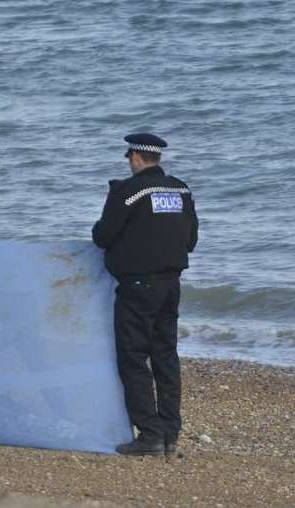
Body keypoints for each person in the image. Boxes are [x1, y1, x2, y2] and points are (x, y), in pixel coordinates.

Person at [92, 133, 198, 456]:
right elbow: (191, 239)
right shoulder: (181, 189)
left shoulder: (128, 192)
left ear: (136, 157)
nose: (129, 162)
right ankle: (169, 432)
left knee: (134, 357)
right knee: (166, 355)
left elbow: (102, 236)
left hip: (138, 286)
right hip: (171, 284)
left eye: (129, 157)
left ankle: (150, 434)